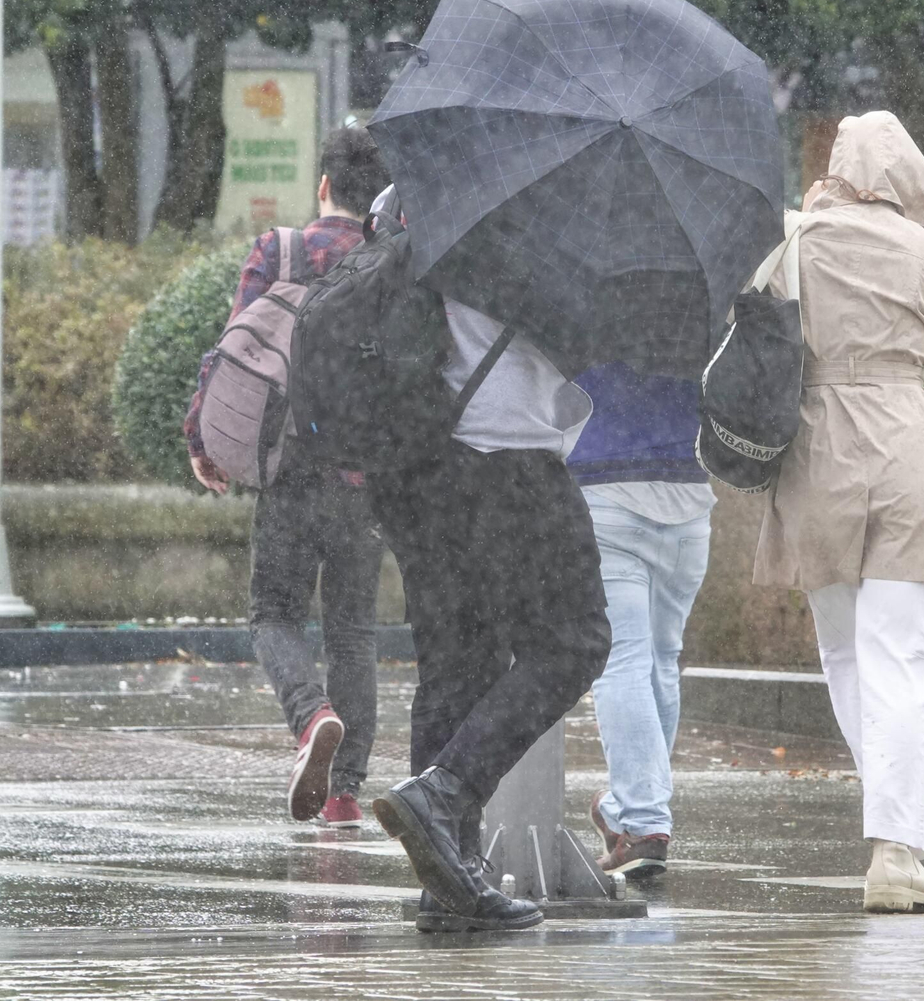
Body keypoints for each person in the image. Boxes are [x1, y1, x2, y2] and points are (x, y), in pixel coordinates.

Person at [752, 111, 924, 915]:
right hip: (909, 461)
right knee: (909, 659)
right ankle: (896, 850)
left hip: (815, 465)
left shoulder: (790, 247)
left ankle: (895, 833)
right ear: (908, 175)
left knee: (848, 657)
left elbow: (754, 347)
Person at [366, 186, 612, 931]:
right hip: (509, 455)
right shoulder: (535, 215)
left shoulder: (405, 199)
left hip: (417, 467)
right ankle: (447, 791)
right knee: (573, 642)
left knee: (457, 660)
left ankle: (450, 884)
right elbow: (578, 330)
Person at [183, 128, 390, 829]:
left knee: (274, 613)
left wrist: (202, 439)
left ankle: (312, 718)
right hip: (365, 479)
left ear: (324, 186)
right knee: (354, 632)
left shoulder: (283, 251)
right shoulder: (392, 261)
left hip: (288, 471)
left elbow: (232, 347)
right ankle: (345, 791)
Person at [567, 363, 714, 878]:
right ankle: (627, 811)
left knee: (622, 660)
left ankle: (646, 821)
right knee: (661, 660)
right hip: (690, 496)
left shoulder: (594, 289)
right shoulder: (696, 294)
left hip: (603, 488)